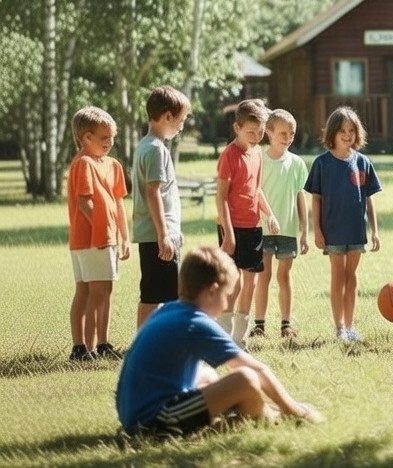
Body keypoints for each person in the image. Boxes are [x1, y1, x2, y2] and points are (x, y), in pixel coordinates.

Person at [116, 246, 323, 438]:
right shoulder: (195, 322)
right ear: (212, 291)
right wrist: (296, 410)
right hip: (152, 422)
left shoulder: (170, 310)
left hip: (134, 414)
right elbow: (256, 370)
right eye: (227, 296)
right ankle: (273, 418)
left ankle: (246, 414)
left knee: (207, 374)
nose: (226, 304)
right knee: (246, 380)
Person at [304, 106, 381, 342]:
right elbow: (315, 199)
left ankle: (350, 326)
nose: (347, 135)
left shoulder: (363, 162)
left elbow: (369, 200)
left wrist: (375, 232)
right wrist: (316, 230)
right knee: (338, 276)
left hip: (356, 231)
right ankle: (339, 328)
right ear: (332, 134)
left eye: (351, 130)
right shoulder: (322, 163)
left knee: (352, 275)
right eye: (342, 131)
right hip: (333, 232)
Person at [66, 106, 130, 361]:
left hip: (107, 239)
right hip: (92, 240)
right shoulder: (83, 163)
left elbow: (118, 203)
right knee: (92, 292)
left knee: (104, 291)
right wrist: (103, 231)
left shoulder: (112, 165)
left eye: (111, 137)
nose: (109, 142)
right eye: (103, 137)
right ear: (86, 138)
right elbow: (85, 202)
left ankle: (99, 343)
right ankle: (86, 348)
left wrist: (124, 236)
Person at [216, 99, 280, 347]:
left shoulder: (257, 154)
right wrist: (228, 232)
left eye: (261, 131)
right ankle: (223, 331)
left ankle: (240, 337)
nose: (256, 137)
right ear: (237, 128)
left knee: (251, 280)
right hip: (233, 227)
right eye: (250, 132)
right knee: (234, 280)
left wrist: (270, 214)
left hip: (253, 226)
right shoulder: (229, 156)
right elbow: (221, 196)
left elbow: (256, 190)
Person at [132, 85, 191, 329]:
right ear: (167, 116)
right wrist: (164, 235)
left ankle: (145, 340)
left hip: (156, 233)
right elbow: (153, 192)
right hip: (158, 235)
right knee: (166, 296)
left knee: (153, 293)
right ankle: (153, 342)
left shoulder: (146, 145)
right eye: (181, 120)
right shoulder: (156, 150)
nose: (182, 126)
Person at [251, 109, 309, 338]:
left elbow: (300, 196)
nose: (288, 137)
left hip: (288, 229)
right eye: (283, 133)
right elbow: (254, 193)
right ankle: (259, 325)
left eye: (292, 133)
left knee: (284, 276)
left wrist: (305, 230)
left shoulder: (296, 163)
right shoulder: (259, 160)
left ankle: (286, 324)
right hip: (263, 228)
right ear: (269, 133)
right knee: (263, 275)